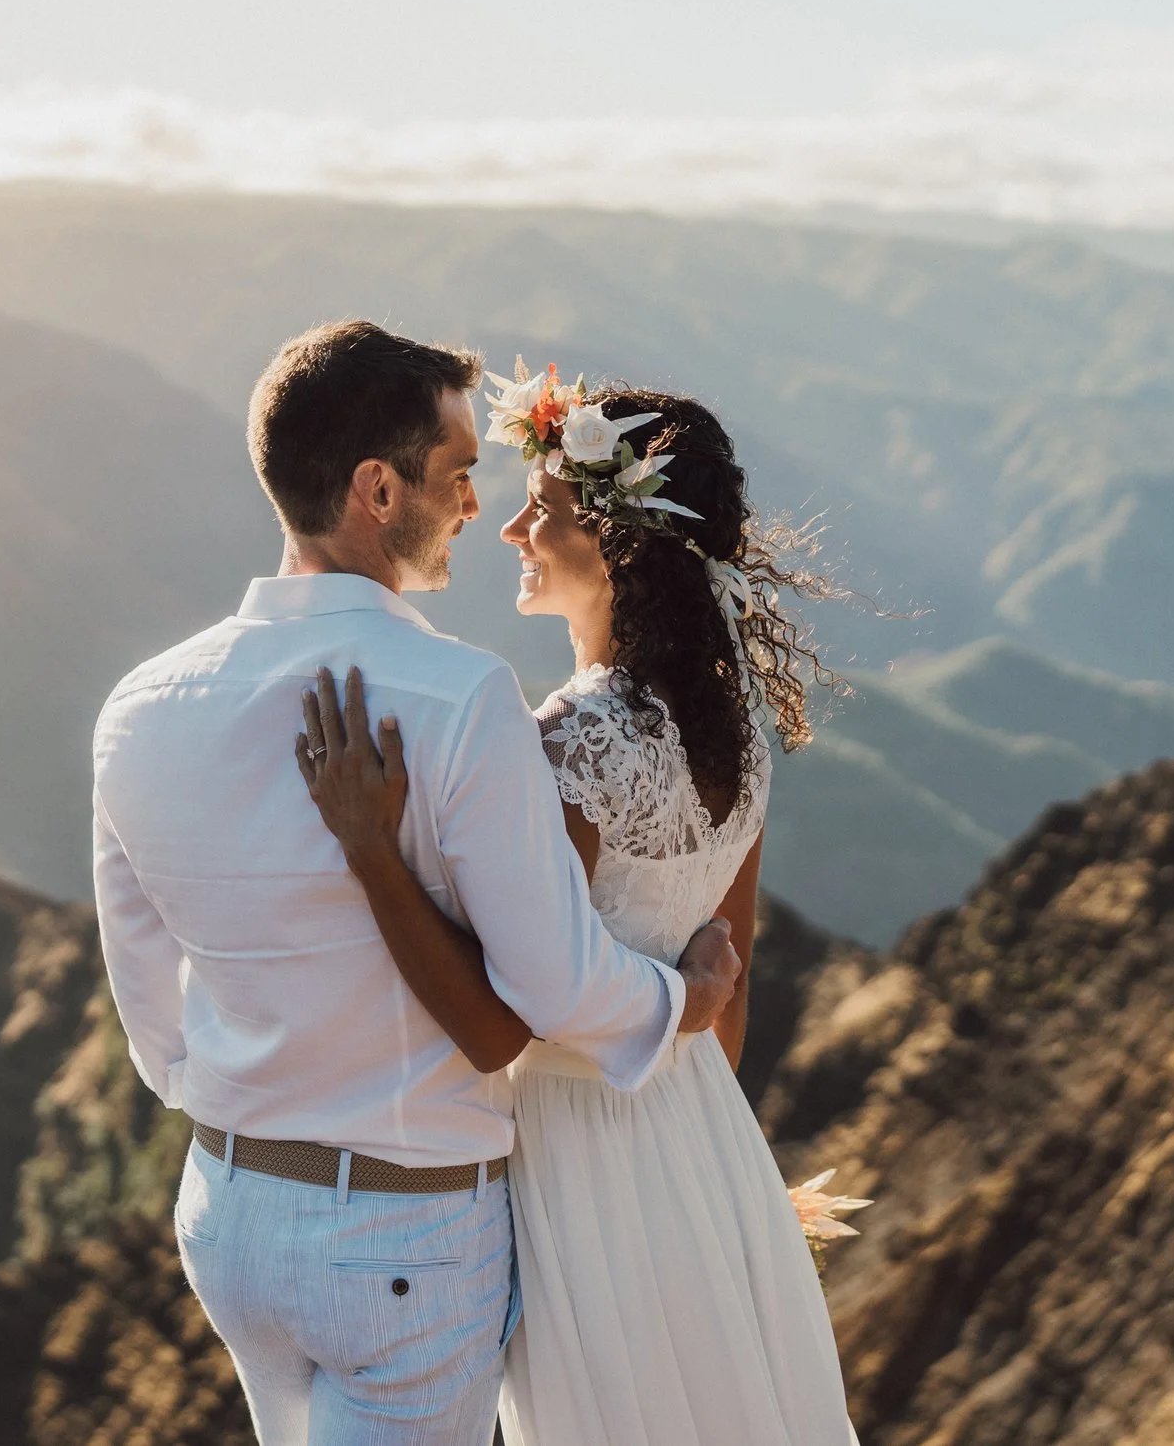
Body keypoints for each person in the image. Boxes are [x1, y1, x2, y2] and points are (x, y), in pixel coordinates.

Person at [91, 322, 744, 1445]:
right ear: (377, 488)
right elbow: (552, 982)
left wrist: (256, 1094)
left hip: (228, 1211)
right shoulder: (455, 698)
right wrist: (684, 997)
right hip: (399, 1238)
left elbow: (145, 993)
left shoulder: (138, 707)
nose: (476, 510)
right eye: (457, 476)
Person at [294, 362, 859, 1444]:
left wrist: (370, 846)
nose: (508, 527)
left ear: (619, 544)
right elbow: (725, 998)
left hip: (572, 1155)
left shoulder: (569, 745)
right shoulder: (729, 731)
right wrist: (688, 1158)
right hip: (699, 1138)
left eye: (541, 507)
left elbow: (501, 1004)